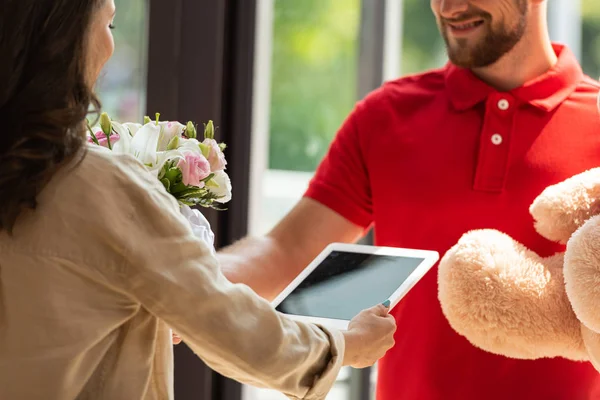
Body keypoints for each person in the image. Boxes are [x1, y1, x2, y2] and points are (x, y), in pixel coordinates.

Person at [0, 1, 396, 399]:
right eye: (111, 24)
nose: (111, 44)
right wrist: (345, 344)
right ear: (67, 40)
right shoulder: (100, 186)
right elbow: (234, 330)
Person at [217, 0, 600, 399]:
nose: (448, 7)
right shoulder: (386, 116)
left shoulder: (597, 120)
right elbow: (286, 249)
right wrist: (187, 278)